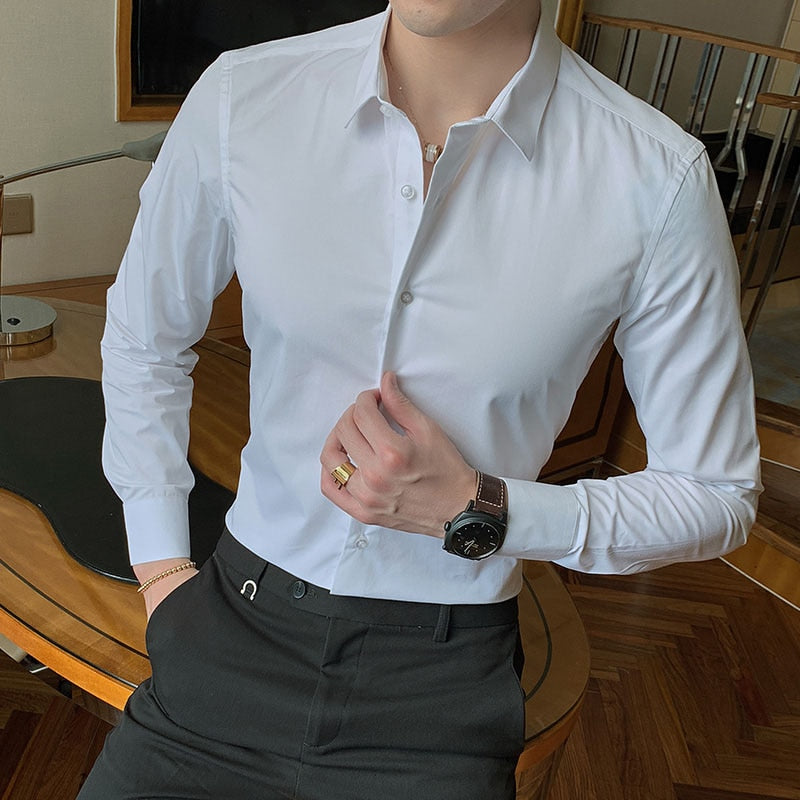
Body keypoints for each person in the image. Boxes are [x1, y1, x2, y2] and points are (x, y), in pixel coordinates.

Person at [79, 1, 762, 798]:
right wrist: (161, 566)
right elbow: (145, 338)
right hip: (233, 626)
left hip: (440, 686)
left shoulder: (653, 176)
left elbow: (716, 494)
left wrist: (484, 510)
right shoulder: (246, 96)